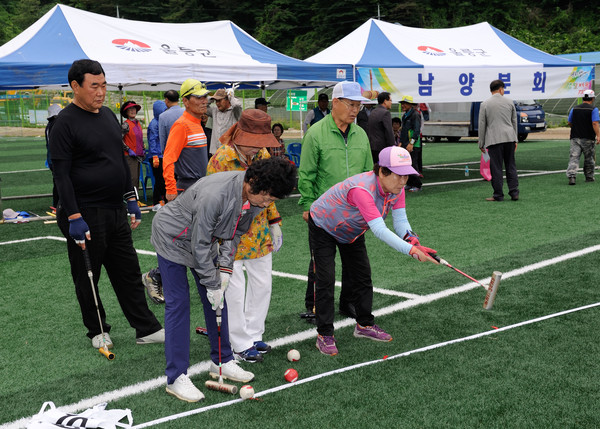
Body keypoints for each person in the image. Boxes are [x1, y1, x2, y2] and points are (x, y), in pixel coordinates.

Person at [151, 157, 296, 402]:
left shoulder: (256, 198)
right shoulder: (215, 196)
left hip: (201, 242)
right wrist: (211, 282)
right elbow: (200, 246)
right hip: (172, 238)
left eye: (273, 200)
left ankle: (222, 360)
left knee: (219, 298)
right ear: (253, 183)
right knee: (179, 303)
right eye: (268, 198)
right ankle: (176, 377)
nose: (268, 204)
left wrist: (225, 271)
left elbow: (235, 233)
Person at [49, 59, 164, 350]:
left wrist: (131, 198)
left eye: (103, 85)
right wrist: (74, 215)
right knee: (88, 275)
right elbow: (61, 175)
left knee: (127, 269)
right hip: (84, 212)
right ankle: (97, 329)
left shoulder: (108, 116)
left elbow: (117, 162)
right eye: (94, 86)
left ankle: (145, 327)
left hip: (114, 209)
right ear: (76, 87)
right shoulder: (64, 123)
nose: (101, 92)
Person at [309, 146, 438, 356]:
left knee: (362, 275)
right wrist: (412, 251)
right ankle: (324, 334)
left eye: (406, 176)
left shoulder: (397, 190)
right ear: (382, 171)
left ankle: (364, 325)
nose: (403, 181)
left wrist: (414, 241)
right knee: (326, 278)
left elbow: (401, 220)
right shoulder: (362, 189)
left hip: (352, 230)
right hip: (323, 226)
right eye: (399, 175)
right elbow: (379, 229)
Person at [207, 109, 282, 363]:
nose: (257, 148)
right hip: (230, 234)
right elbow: (211, 200)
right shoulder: (220, 160)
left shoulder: (261, 155)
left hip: (259, 232)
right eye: (254, 142)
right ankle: (239, 343)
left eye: (262, 143)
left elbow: (269, 189)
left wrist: (274, 221)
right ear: (239, 135)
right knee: (235, 289)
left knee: (262, 285)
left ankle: (254, 333)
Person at [298, 81, 373, 320]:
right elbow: (306, 174)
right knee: (322, 266)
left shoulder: (361, 134)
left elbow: (369, 173)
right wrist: (308, 205)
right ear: (336, 103)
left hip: (355, 215)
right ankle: (314, 304)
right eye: (351, 104)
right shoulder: (316, 133)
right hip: (324, 214)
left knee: (355, 265)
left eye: (358, 106)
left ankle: (347, 303)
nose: (355, 110)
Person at [162, 79, 210, 202]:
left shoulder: (197, 123)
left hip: (200, 187)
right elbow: (168, 159)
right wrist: (171, 189)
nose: (204, 101)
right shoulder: (182, 125)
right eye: (199, 97)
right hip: (188, 189)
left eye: (205, 96)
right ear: (185, 101)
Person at [478, 80, 519, 201]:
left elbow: (482, 125)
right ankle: (514, 192)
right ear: (501, 89)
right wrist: (515, 139)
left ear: (491, 90)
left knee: (496, 168)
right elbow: (514, 121)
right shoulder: (510, 102)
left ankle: (498, 195)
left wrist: (481, 142)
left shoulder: (485, 104)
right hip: (509, 137)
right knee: (511, 165)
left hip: (494, 139)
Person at [566, 89, 600, 185]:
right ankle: (589, 177)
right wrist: (598, 135)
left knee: (574, 157)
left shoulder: (574, 108)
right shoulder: (594, 109)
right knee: (589, 158)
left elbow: (569, 122)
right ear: (592, 98)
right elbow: (595, 123)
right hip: (588, 137)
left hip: (575, 137)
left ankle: (572, 176)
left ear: (583, 98)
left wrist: (576, 127)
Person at [207, 87, 243, 156]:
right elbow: (203, 105)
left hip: (230, 153)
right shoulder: (214, 111)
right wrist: (211, 99)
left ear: (227, 100)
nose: (217, 103)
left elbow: (237, 105)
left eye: (219, 100)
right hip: (215, 152)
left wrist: (230, 96)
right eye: (216, 101)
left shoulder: (235, 111)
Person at [399, 95, 423, 192]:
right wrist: (400, 142)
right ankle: (409, 183)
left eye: (405, 103)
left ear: (410, 104)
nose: (403, 105)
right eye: (402, 103)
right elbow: (404, 130)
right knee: (406, 164)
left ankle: (418, 184)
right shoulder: (405, 115)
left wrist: (411, 143)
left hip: (413, 144)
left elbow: (417, 130)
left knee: (413, 164)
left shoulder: (415, 114)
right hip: (405, 143)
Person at [147, 100, 167, 210]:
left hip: (162, 155)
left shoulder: (161, 121)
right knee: (159, 179)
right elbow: (152, 140)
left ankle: (159, 200)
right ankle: (158, 201)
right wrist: (154, 155)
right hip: (156, 156)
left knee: (162, 178)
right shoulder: (154, 123)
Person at [121, 100, 144, 190]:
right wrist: (128, 149)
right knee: (132, 179)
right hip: (129, 157)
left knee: (136, 178)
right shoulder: (125, 124)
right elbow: (119, 139)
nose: (132, 110)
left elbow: (140, 139)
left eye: (134, 108)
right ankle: (133, 200)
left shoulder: (138, 123)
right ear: (126, 112)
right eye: (129, 109)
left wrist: (142, 149)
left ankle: (136, 199)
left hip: (138, 156)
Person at [368, 92, 395, 163]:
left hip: (372, 146)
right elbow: (389, 131)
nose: (391, 102)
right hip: (382, 148)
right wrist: (392, 147)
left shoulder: (373, 112)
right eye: (390, 100)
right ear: (385, 101)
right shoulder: (385, 113)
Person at [45, 103, 63, 209]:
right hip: (57, 158)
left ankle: (57, 204)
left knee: (58, 182)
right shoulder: (55, 124)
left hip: (53, 158)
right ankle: (58, 205)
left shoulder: (50, 124)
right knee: (60, 182)